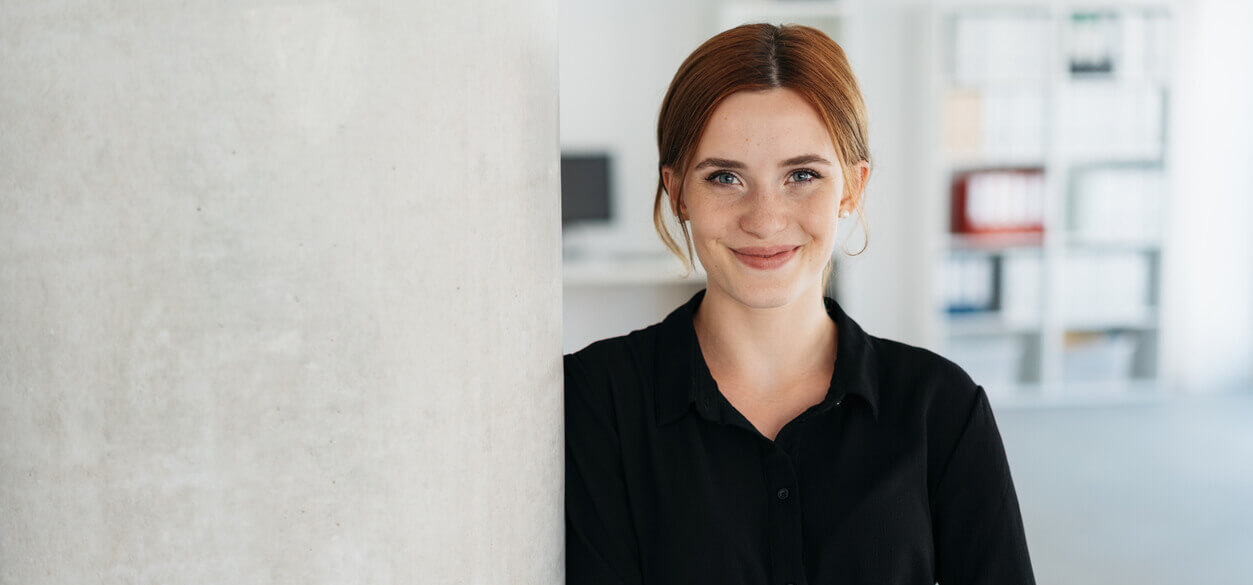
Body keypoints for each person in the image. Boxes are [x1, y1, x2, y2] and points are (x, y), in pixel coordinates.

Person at [564, 23, 1036, 585]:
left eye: (803, 175)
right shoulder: (595, 401)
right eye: (724, 177)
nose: (765, 219)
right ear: (677, 191)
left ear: (853, 188)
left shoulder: (942, 409)